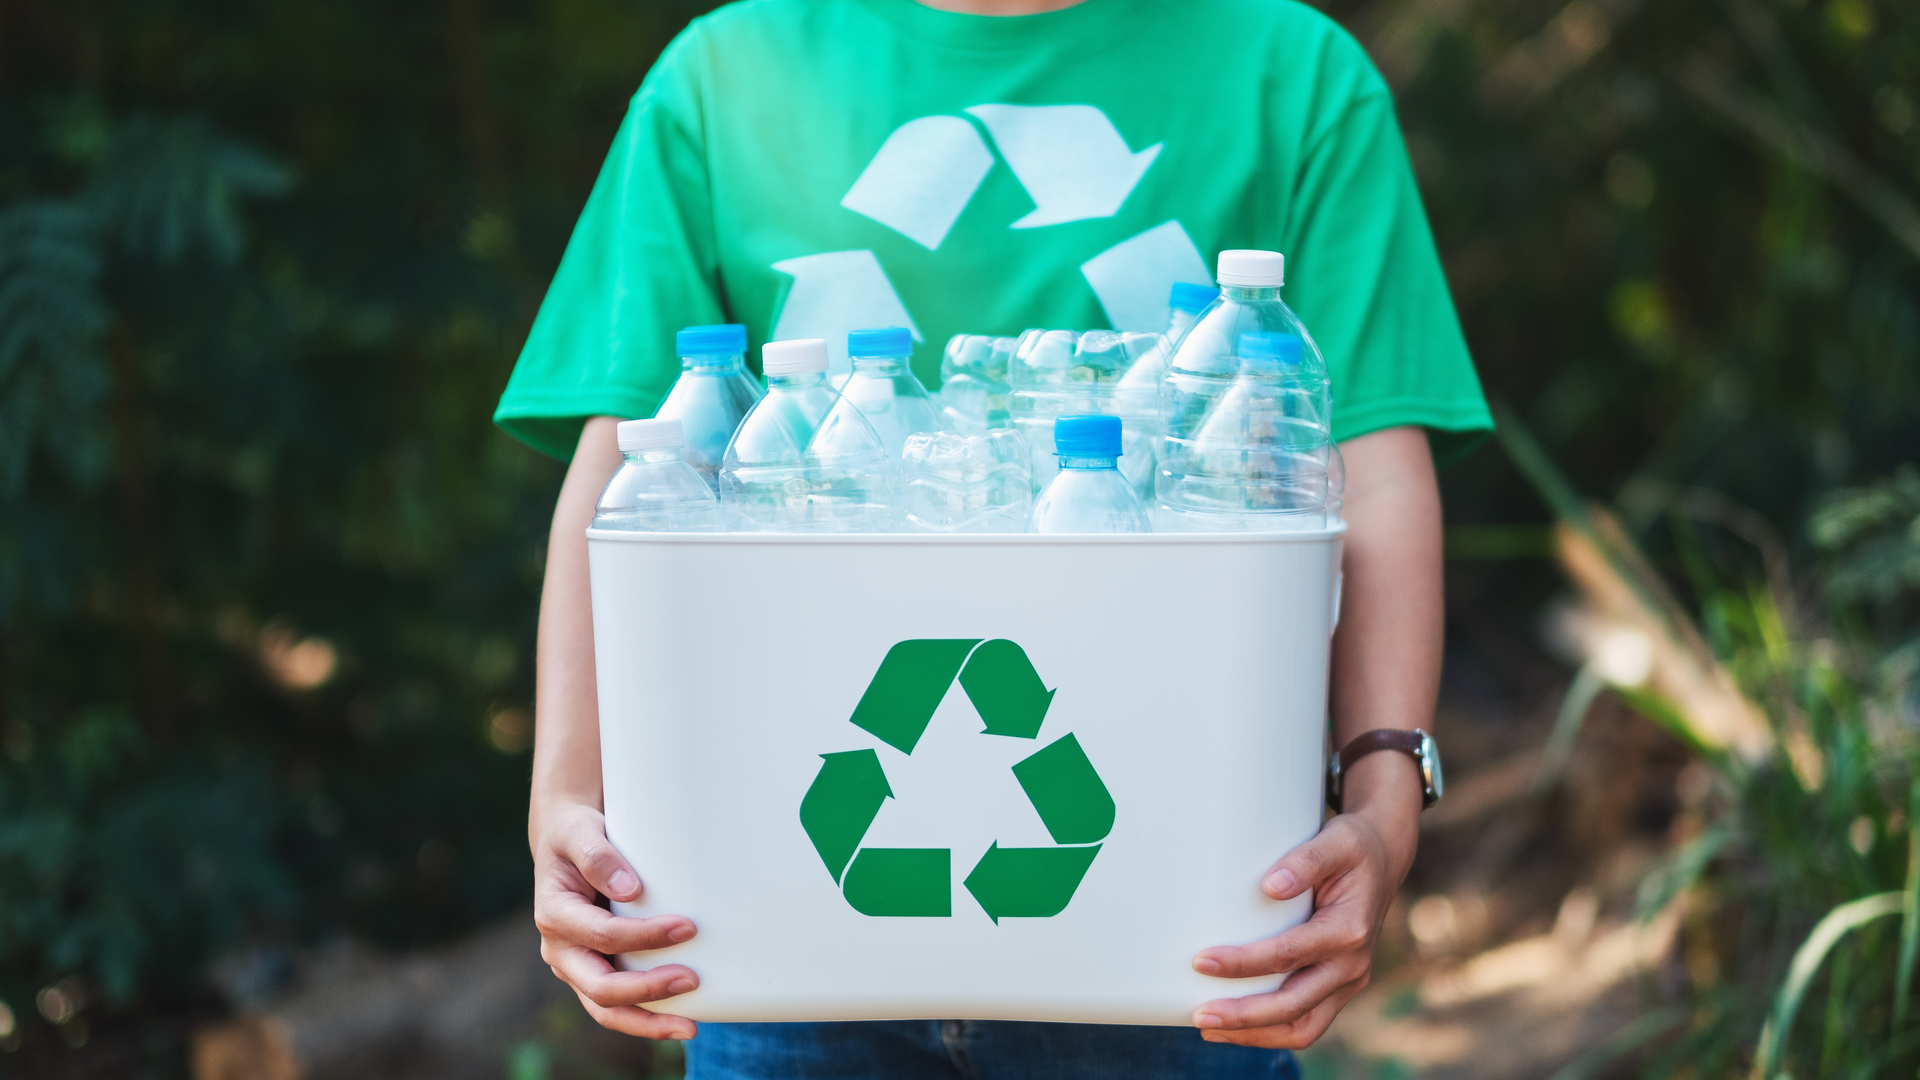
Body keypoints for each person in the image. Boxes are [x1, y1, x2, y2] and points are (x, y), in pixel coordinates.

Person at [493, 0, 1492, 1074]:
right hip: (779, 921)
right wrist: (564, 799)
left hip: (1181, 928)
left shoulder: (1291, 73)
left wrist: (1387, 809)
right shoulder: (724, 77)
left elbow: (1375, 470)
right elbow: (628, 467)